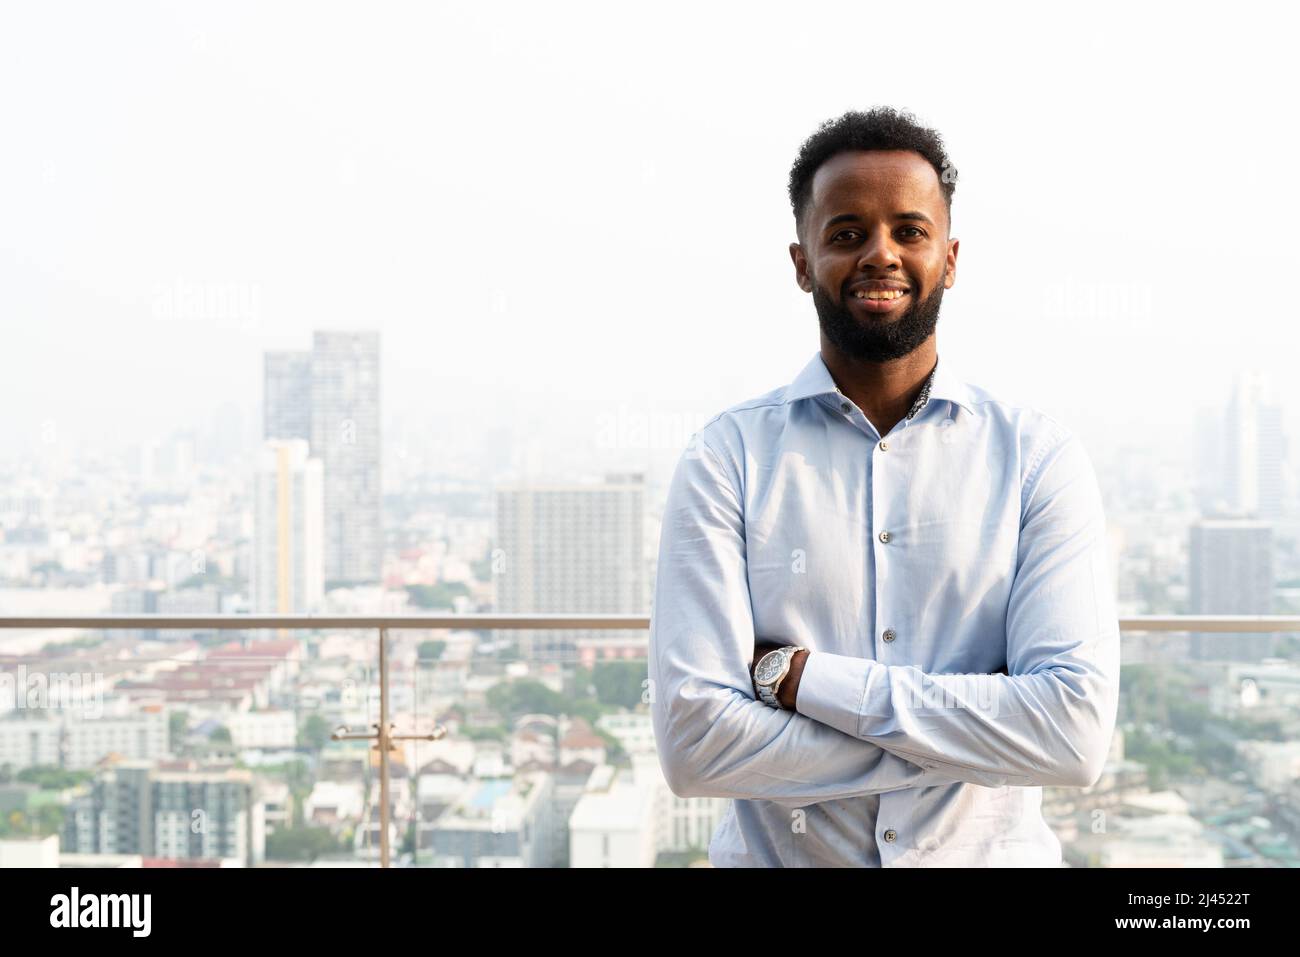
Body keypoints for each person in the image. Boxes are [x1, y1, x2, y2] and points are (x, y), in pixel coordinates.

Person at [648, 106, 1120, 867]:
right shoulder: (725, 460)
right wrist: (975, 738)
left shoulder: (1037, 458)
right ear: (802, 262)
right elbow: (696, 745)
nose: (880, 254)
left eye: (909, 230)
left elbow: (1071, 734)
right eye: (846, 234)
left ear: (951, 256)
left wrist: (806, 680)